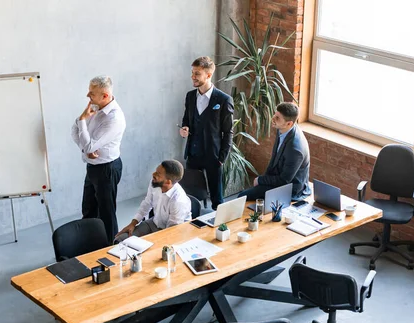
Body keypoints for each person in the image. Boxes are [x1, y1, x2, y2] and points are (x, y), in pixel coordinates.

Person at [71, 76, 126, 244]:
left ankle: (110, 246)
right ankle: (89, 244)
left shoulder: (114, 118)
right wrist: (85, 148)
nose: (88, 95)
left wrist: (82, 123)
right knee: (88, 210)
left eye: (92, 93)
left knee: (106, 213)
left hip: (107, 169)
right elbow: (75, 131)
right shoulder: (94, 108)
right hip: (93, 167)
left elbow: (88, 143)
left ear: (105, 95)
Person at [179, 56, 234, 210]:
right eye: (192, 73)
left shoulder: (224, 100)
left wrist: (221, 158)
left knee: (217, 199)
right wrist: (184, 129)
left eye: (197, 73)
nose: (193, 77)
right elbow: (186, 120)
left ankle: (220, 228)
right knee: (191, 195)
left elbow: (228, 132)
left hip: (213, 156)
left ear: (208, 75)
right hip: (193, 154)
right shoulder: (190, 96)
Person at [238, 102, 311, 201]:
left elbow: (284, 180)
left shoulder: (295, 149)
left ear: (289, 123)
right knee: (247, 194)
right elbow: (274, 160)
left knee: (242, 197)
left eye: (277, 118)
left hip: (290, 189)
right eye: (275, 115)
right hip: (277, 178)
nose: (273, 119)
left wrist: (260, 180)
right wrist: (263, 180)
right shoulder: (283, 129)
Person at [115, 160, 191, 242]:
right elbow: (147, 204)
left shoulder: (178, 201)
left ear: (168, 182)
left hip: (172, 233)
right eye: (156, 171)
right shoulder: (155, 183)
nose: (153, 174)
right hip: (154, 223)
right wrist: (133, 223)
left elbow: (171, 231)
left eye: (158, 174)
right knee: (121, 239)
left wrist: (151, 241)